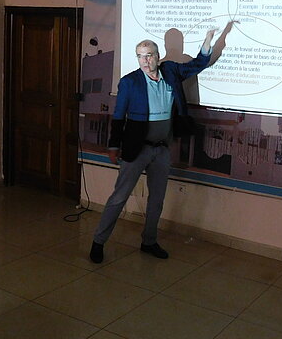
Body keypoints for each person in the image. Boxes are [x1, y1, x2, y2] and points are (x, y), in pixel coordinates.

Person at [90, 22, 233, 263]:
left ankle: (149, 241)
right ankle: (98, 242)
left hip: (162, 149)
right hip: (137, 149)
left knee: (156, 200)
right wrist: (113, 146)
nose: (144, 61)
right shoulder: (129, 82)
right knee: (119, 197)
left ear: (158, 56)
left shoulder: (171, 71)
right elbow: (118, 116)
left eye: (148, 56)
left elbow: (199, 64)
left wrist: (210, 40)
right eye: (140, 56)